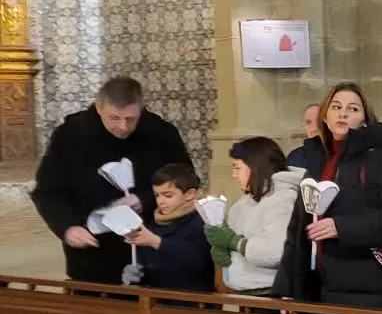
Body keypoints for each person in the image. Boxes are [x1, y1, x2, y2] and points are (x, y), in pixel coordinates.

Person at [273, 83, 382, 310]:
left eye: (353, 109)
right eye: (336, 107)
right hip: (322, 287)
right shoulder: (318, 159)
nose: (343, 113)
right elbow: (298, 229)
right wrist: (289, 290)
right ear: (325, 116)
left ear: (364, 119)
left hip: (373, 290)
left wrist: (342, 227)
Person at [33, 76, 193, 285]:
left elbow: (186, 179)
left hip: (150, 242)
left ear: (141, 109)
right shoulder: (71, 134)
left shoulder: (161, 133)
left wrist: (144, 199)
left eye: (131, 119)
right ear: (99, 108)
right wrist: (67, 228)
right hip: (93, 248)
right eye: (114, 118)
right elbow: (48, 191)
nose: (123, 127)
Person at [208, 137, 302, 295]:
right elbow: (233, 241)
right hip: (243, 291)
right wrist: (224, 251)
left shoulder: (283, 199)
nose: (234, 175)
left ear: (255, 166)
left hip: (271, 292)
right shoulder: (242, 203)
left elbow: (276, 252)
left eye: (237, 168)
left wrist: (234, 242)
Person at [124, 162, 212, 292]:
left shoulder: (202, 221)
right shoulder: (154, 223)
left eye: (168, 195)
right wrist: (135, 272)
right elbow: (148, 262)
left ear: (190, 194)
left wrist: (156, 241)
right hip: (155, 298)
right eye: (157, 195)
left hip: (191, 301)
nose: (160, 201)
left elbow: (197, 260)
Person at [286, 102, 322, 170]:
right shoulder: (295, 157)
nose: (314, 128)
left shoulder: (339, 155)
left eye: (318, 121)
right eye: (308, 122)